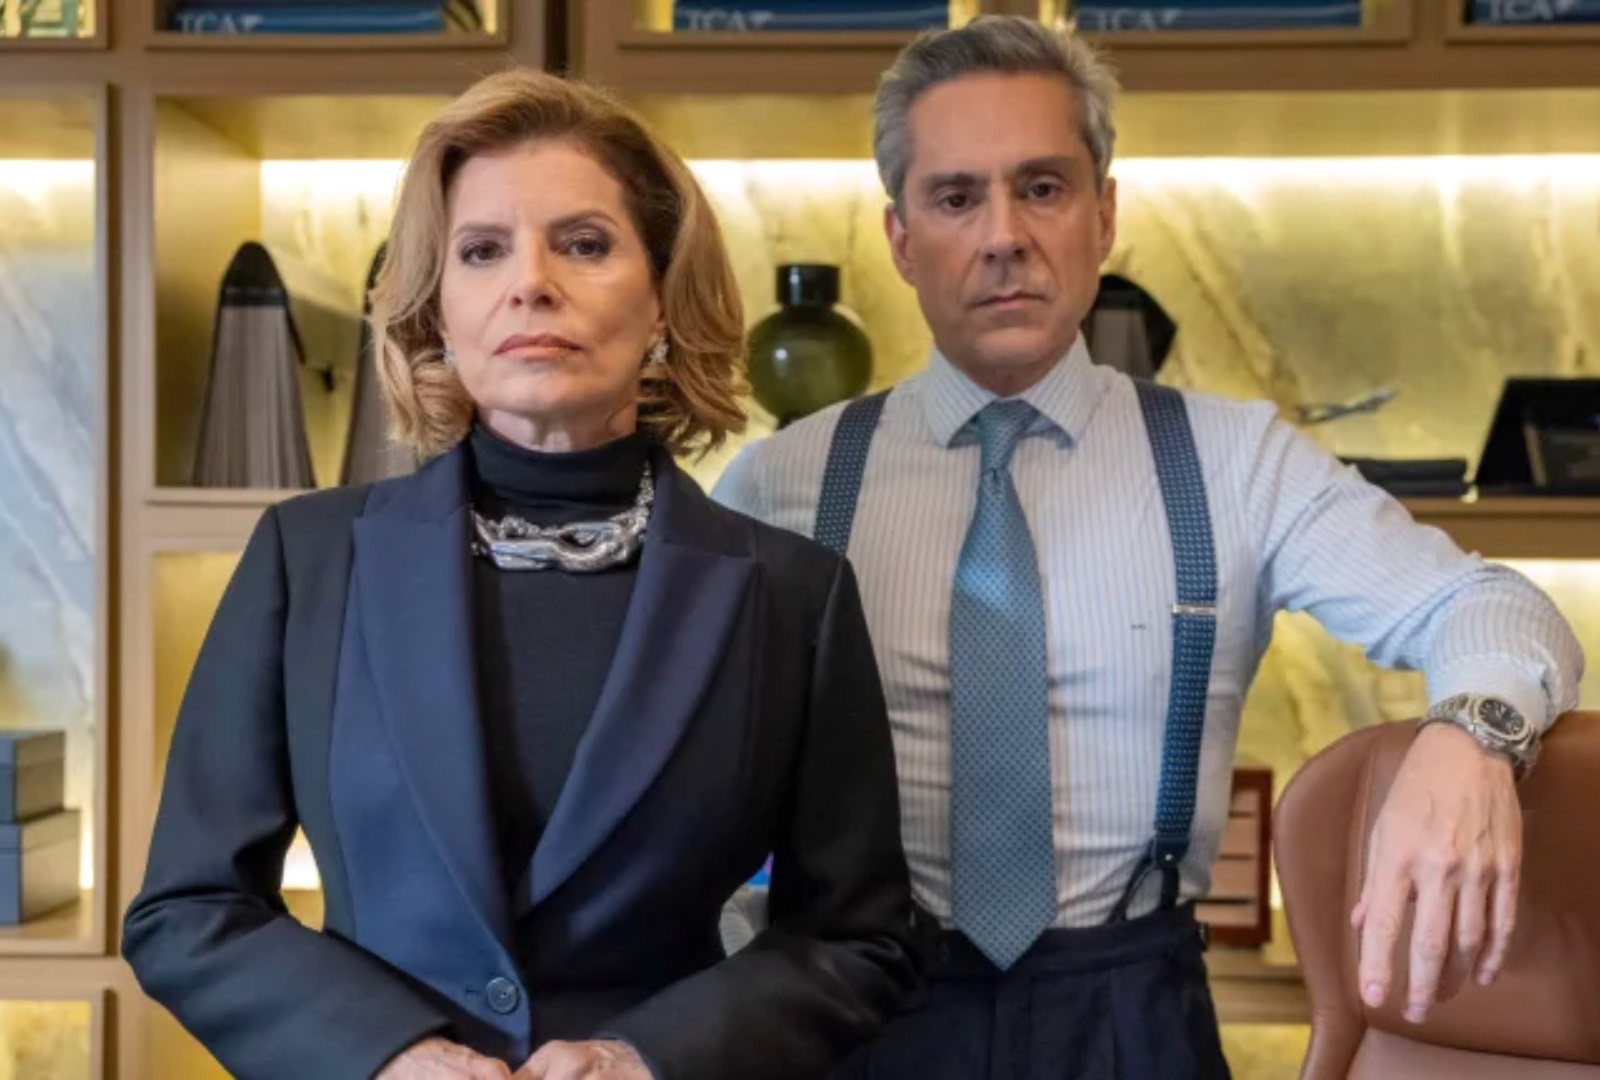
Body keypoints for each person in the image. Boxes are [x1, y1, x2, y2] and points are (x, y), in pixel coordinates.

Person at [711, 16, 1585, 1080]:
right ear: (900, 239)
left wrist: (1471, 738)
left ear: (1104, 214)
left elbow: (1491, 606)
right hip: (858, 1010)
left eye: (1041, 187)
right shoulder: (782, 483)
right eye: (956, 197)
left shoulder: (1236, 461)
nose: (1003, 235)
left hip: (1132, 1016)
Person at [123, 69, 918, 1080]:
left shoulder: (792, 594)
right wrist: (385, 1055)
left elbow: (856, 938)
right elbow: (190, 907)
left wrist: (645, 1058)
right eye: (482, 250)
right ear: (438, 309)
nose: (530, 282)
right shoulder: (306, 559)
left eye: (583, 244)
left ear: (662, 297)